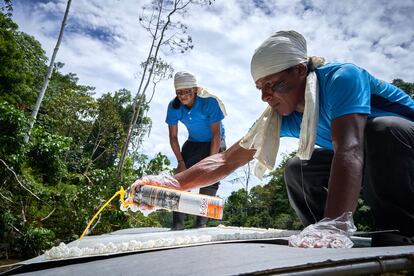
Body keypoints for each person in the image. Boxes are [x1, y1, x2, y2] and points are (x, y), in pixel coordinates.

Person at [134, 31, 414, 246]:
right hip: (367, 159)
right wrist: (172, 184)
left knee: (381, 130)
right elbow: (225, 160)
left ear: (300, 71)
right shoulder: (283, 115)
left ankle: (396, 233)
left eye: (274, 85)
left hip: (402, 150)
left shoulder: (343, 78)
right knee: (297, 169)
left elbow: (350, 150)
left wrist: (335, 222)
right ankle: (319, 237)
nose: (266, 96)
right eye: (260, 88)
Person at [166, 71, 227, 230]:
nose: (183, 96)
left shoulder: (209, 102)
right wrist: (180, 162)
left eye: (187, 91)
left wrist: (212, 162)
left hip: (215, 142)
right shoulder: (174, 106)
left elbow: (216, 134)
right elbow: (173, 137)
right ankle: (178, 225)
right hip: (193, 142)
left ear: (195, 89)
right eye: (179, 92)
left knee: (210, 180)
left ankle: (201, 224)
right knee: (179, 180)